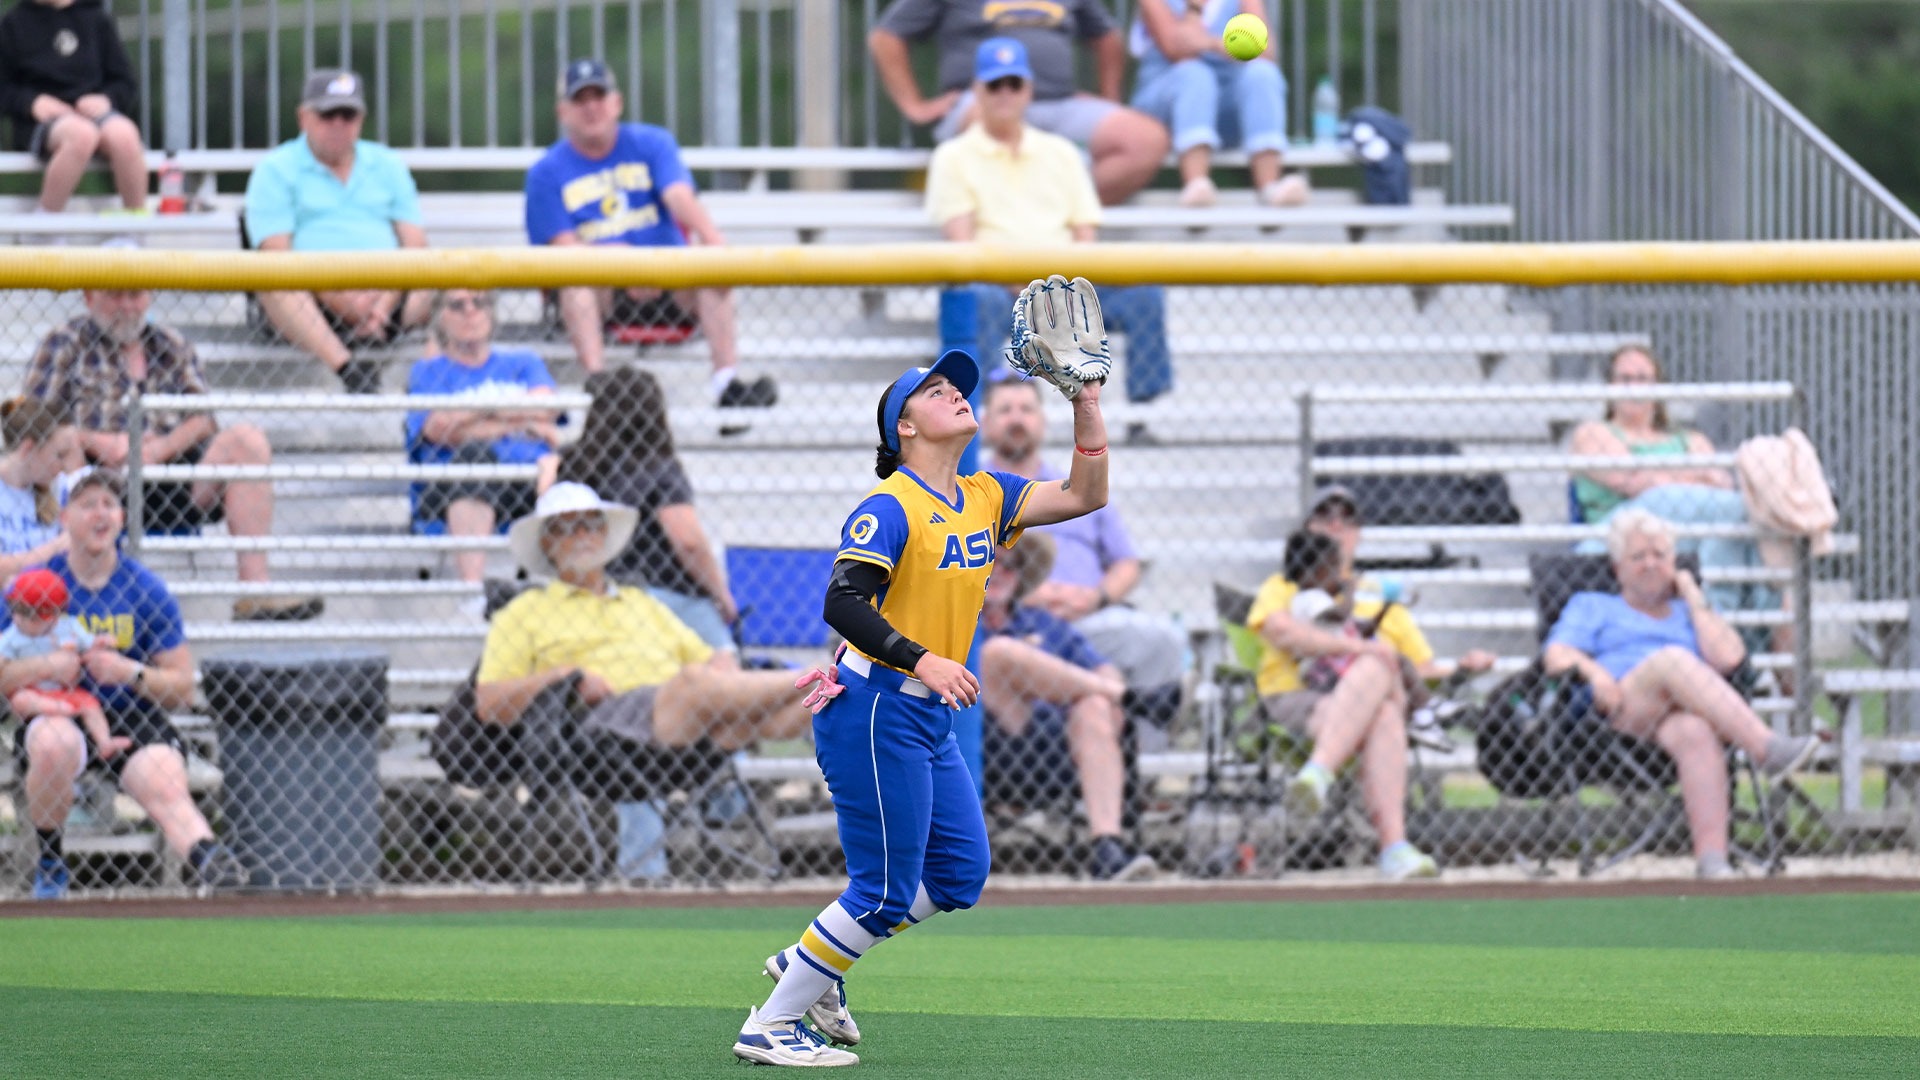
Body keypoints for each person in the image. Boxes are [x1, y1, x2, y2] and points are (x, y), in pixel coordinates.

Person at [735, 326, 1111, 1067]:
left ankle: (814, 962)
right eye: (935, 390)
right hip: (874, 705)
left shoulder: (983, 493)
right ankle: (769, 1024)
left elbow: (1084, 495)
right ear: (905, 426)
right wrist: (923, 659)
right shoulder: (889, 505)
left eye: (955, 386)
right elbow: (843, 605)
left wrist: (1087, 401)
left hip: (922, 710)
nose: (955, 393)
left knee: (959, 874)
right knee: (881, 890)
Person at [473, 482, 812, 842]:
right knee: (694, 682)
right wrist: (563, 676)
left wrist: (725, 674)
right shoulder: (523, 612)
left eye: (593, 523)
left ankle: (835, 689)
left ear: (605, 533)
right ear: (547, 543)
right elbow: (489, 703)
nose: (585, 534)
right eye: (569, 526)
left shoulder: (640, 601)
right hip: (605, 735)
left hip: (688, 729)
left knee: (751, 714)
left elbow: (712, 660)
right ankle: (810, 677)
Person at [2, 468, 247, 900]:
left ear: (122, 517)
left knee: (163, 773)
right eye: (87, 503)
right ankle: (51, 859)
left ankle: (208, 858)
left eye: (110, 504)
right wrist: (49, 665)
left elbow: (181, 688)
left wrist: (129, 672)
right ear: (64, 517)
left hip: (128, 711)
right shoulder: (35, 585)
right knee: (52, 744)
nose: (101, 514)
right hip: (57, 707)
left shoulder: (145, 589)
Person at [1542, 508, 1823, 879]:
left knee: (1695, 731)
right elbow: (1556, 656)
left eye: (1660, 555)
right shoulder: (1594, 605)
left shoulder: (1689, 610)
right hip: (1619, 710)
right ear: (1618, 568)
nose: (1650, 564)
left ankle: (1713, 861)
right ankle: (1765, 748)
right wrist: (1594, 674)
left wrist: (1691, 593)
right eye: (1638, 556)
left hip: (1678, 715)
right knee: (1671, 661)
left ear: (1674, 564)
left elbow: (1729, 659)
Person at [26, 285, 323, 621]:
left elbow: (204, 417)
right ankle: (70, 589)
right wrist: (99, 441)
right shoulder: (64, 343)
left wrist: (158, 449)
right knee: (64, 450)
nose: (127, 305)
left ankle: (255, 590)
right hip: (94, 478)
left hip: (170, 476)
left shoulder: (170, 344)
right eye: (115, 294)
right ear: (89, 297)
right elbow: (35, 421)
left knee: (247, 440)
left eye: (134, 294)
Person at [1245, 485, 1494, 880]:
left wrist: (1461, 670)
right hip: (1299, 695)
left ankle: (1317, 775)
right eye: (1325, 518)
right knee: (1381, 678)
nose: (1336, 526)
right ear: (1309, 528)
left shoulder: (1377, 593)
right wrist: (1358, 649)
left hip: (1361, 698)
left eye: (1347, 520)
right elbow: (1282, 633)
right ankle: (1393, 848)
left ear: (1358, 534)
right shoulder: (1287, 583)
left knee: (1383, 690)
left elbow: (1421, 669)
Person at [927, 38, 1173, 433]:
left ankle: (1142, 415)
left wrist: (1059, 292)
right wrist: (1029, 288)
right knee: (976, 298)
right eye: (994, 85)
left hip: (1064, 293)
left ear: (1028, 90)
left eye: (1013, 83)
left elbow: (1085, 238)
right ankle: (989, 411)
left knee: (1144, 294)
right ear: (976, 91)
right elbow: (963, 246)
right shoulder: (953, 157)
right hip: (1000, 290)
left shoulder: (1062, 152)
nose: (1005, 94)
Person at [525, 58, 776, 414]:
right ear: (563, 111)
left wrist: (714, 241)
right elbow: (563, 248)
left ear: (617, 103)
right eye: (580, 99)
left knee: (714, 263)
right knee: (573, 280)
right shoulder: (545, 173)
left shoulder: (652, 142)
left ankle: (727, 386)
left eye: (599, 95)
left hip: (669, 282)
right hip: (602, 289)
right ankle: (601, 389)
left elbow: (678, 196)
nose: (591, 107)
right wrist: (626, 265)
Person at [980, 373, 1185, 723]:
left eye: (1026, 409)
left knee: (1163, 639)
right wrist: (1025, 594)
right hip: (1011, 623)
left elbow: (1126, 564)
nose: (1016, 418)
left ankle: (1144, 764)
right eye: (1005, 410)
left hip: (1086, 622)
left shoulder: (1079, 485)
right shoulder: (972, 490)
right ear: (984, 424)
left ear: (1042, 422)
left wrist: (1096, 598)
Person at [978, 533, 1154, 881]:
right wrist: (1119, 694)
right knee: (998, 653)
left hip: (1060, 747)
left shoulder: (1043, 623)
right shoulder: (951, 622)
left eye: (1009, 566)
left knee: (1094, 703)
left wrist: (1107, 695)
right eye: (989, 562)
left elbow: (1104, 670)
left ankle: (1107, 848)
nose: (999, 572)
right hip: (991, 741)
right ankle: (1136, 698)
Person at [870, 0, 1167, 206]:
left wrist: (1108, 98)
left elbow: (1107, 36)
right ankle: (1019, 230)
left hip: (1059, 104)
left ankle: (1050, 219)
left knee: (1145, 140)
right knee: (993, 123)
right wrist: (913, 105)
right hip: (983, 103)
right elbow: (886, 37)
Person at [244, 68, 432, 393]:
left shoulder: (387, 163)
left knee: (456, 273)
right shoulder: (274, 169)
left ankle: (446, 380)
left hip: (388, 301)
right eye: (327, 114)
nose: (338, 124)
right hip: (312, 302)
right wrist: (340, 297)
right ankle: (347, 367)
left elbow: (415, 244)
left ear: (361, 119)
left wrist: (382, 303)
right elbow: (275, 252)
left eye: (348, 114)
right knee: (271, 278)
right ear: (304, 118)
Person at [537, 367, 738, 663]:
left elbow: (547, 516)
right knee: (727, 660)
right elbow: (688, 541)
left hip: (594, 590)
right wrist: (721, 594)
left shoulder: (573, 463)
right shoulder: (658, 466)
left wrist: (548, 472)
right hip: (661, 590)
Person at [1570, 345, 1770, 618]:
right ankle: (1723, 622)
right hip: (1620, 531)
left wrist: (1662, 477)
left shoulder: (1689, 439)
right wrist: (1693, 476)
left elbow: (1722, 485)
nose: (1634, 388)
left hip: (1682, 536)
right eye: (1624, 380)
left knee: (1742, 519)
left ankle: (1745, 626)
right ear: (1610, 387)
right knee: (1732, 512)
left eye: (1643, 380)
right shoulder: (1593, 433)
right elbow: (1635, 482)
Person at [405, 288, 561, 595]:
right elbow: (439, 429)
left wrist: (470, 416)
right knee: (474, 457)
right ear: (439, 318)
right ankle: (472, 595)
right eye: (457, 305)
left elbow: (546, 408)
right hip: (453, 486)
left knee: (567, 461)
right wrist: (517, 418)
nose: (471, 312)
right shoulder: (428, 372)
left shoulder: (523, 361)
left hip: (526, 481)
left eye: (480, 303)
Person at [1129, 0, 1308, 208]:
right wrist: (1195, 10)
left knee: (1262, 74)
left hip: (1225, 107)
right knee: (1194, 74)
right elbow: (1178, 49)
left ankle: (1270, 188)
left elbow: (1265, 50)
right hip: (1165, 106)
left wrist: (1210, 43)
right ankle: (1196, 185)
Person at [0, 0, 148, 215]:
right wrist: (32, 103)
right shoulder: (13, 23)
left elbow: (124, 82)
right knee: (81, 135)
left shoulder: (96, 18)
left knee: (124, 135)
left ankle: (134, 228)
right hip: (40, 123)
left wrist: (106, 99)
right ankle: (46, 224)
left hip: (95, 114)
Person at [2, 567, 121, 764]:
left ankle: (104, 741)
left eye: (26, 614)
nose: (17, 618)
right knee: (20, 700)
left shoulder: (69, 627)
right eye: (15, 610)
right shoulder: (14, 635)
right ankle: (59, 709)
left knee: (91, 704)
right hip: (33, 692)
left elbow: (89, 643)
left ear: (52, 616)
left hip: (65, 691)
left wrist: (100, 643)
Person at [0, 397, 77, 579]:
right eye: (59, 455)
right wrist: (55, 548)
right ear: (28, 448)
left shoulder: (61, 490)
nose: (65, 466)